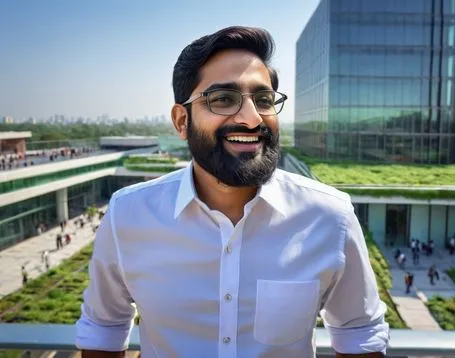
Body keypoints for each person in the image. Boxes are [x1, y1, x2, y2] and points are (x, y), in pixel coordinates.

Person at [76, 26, 388, 357]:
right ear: (182, 122)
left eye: (264, 100)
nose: (252, 119)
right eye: (224, 99)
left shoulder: (329, 217)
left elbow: (359, 332)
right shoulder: (129, 214)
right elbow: (104, 327)